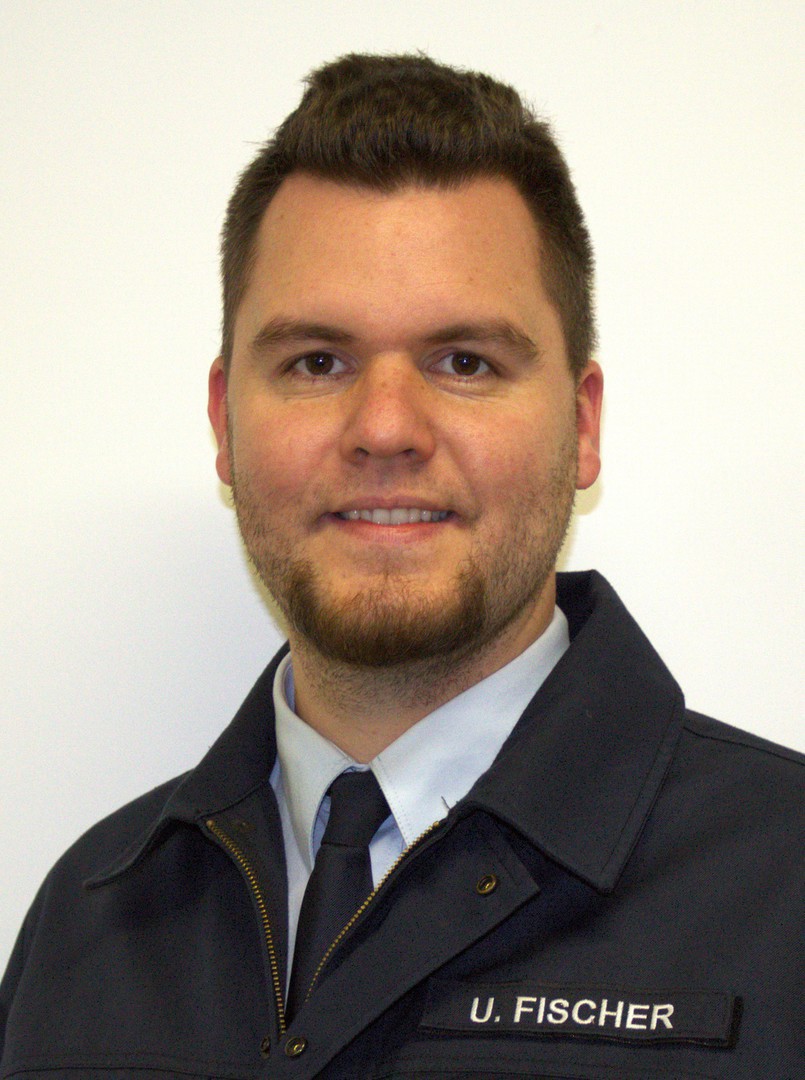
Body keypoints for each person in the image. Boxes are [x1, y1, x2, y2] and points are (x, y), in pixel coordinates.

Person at [0, 53, 801, 1080]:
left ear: (582, 425)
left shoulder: (782, 890)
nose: (384, 428)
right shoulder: (88, 924)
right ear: (225, 423)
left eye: (464, 362)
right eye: (316, 362)